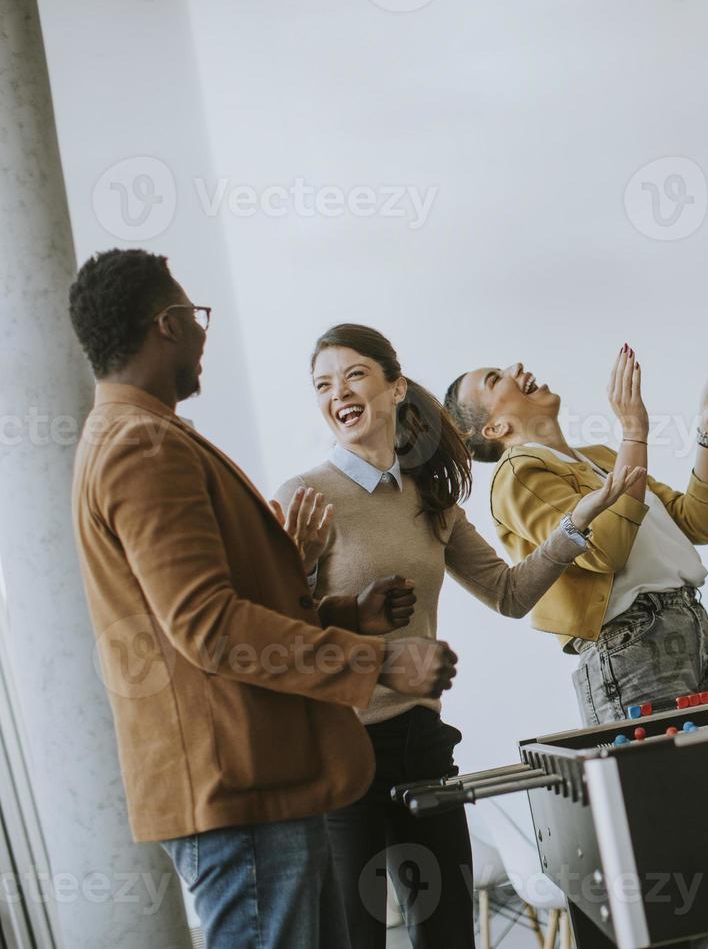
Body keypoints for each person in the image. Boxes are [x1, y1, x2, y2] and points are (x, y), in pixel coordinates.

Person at [68, 249, 458, 949]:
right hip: (236, 791)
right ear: (167, 324)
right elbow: (210, 628)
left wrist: (343, 615)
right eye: (195, 316)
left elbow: (209, 611)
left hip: (259, 784)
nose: (202, 335)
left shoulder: (144, 436)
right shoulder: (140, 446)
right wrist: (379, 663)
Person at [274, 324, 642, 949]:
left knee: (447, 937)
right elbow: (282, 631)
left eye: (355, 375)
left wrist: (579, 519)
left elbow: (509, 591)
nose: (339, 392)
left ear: (395, 388)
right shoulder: (304, 496)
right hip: (339, 750)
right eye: (323, 385)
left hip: (421, 743)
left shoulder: (430, 499)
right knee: (355, 939)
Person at [445, 347, 708, 949]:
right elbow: (604, 551)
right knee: (672, 844)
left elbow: (699, 520)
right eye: (494, 379)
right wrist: (635, 432)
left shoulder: (596, 459)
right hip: (631, 650)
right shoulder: (517, 474)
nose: (515, 368)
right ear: (494, 428)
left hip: (687, 628)